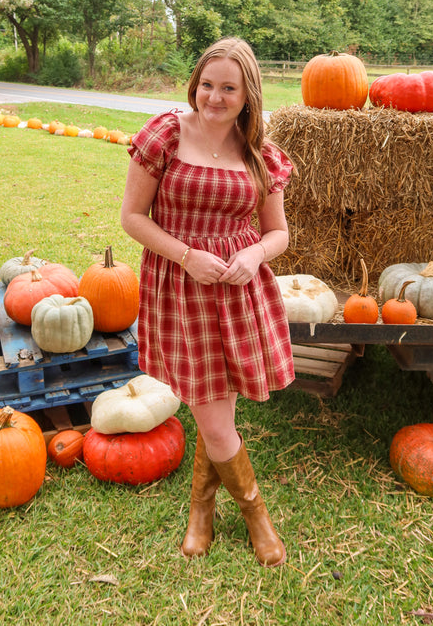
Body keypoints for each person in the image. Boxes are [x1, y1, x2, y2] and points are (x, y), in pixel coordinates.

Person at [121, 37, 294, 567]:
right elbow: (132, 217)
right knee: (216, 420)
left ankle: (200, 511)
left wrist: (256, 256)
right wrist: (186, 255)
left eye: (228, 88)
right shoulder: (166, 134)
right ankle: (256, 515)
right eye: (206, 84)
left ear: (248, 95)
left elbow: (278, 233)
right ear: (194, 83)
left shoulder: (260, 153)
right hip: (183, 288)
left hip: (240, 291)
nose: (213, 97)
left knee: (217, 408)